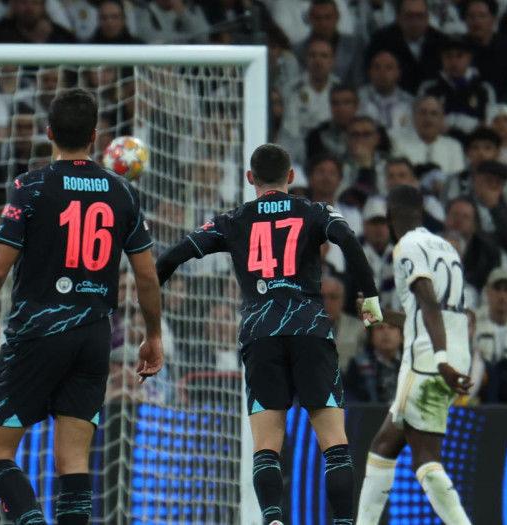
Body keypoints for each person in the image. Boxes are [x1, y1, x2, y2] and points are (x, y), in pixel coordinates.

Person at [0, 88, 164, 525]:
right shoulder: (122, 192)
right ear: (96, 136)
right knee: (74, 462)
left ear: (48, 133)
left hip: (38, 332)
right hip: (94, 337)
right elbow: (146, 275)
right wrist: (153, 335)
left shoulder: (32, 186)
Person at [156, 143, 383, 525]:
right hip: (309, 329)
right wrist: (370, 296)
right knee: (334, 443)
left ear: (250, 178)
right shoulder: (314, 211)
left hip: (261, 334)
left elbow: (173, 256)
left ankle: (273, 520)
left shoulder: (233, 219)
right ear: (291, 177)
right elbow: (348, 241)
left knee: (266, 445)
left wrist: (151, 299)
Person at [355, 185, 474, 525]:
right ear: (422, 213)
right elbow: (431, 312)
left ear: (391, 216)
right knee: (383, 446)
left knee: (426, 460)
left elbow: (428, 300)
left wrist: (439, 360)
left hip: (428, 361)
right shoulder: (447, 248)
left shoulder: (407, 246)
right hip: (454, 354)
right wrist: (379, 316)